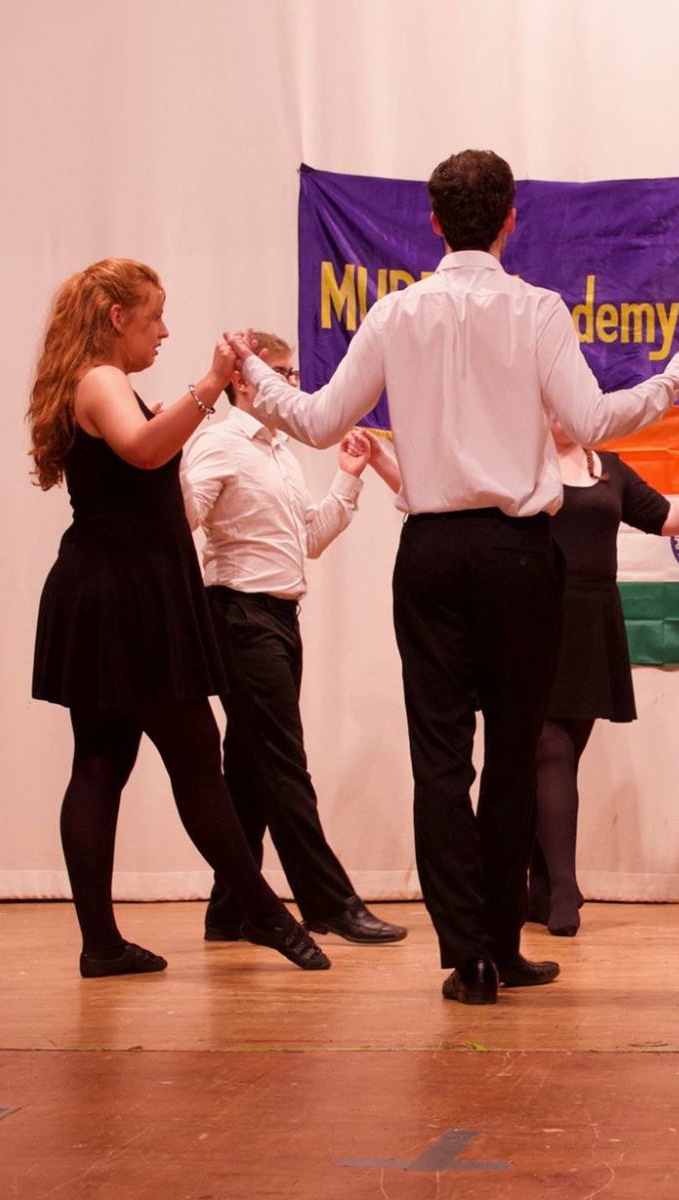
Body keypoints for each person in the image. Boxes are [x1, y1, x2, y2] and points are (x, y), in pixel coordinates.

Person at [225, 150, 679, 1004]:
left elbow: (317, 418)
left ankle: (470, 955)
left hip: (433, 555)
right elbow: (594, 420)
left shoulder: (396, 313)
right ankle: (500, 942)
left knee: (441, 759)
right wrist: (676, 373)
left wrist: (248, 372)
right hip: (521, 556)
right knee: (517, 753)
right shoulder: (537, 311)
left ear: (436, 222)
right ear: (511, 219)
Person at [27, 258, 329, 978]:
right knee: (193, 756)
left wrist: (203, 390)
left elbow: (148, 438)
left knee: (102, 761)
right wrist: (211, 382)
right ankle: (265, 913)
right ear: (115, 318)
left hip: (112, 590)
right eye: (154, 316)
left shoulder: (104, 384)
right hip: (124, 595)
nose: (163, 331)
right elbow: (142, 449)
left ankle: (104, 943)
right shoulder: (100, 380)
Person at [181, 330, 408, 948]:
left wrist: (349, 479)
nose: (292, 386)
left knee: (251, 769)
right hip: (237, 617)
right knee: (282, 761)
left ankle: (230, 910)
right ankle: (329, 902)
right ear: (241, 381)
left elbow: (306, 539)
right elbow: (182, 522)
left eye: (293, 374)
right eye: (277, 372)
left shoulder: (278, 449)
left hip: (278, 619)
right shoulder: (219, 444)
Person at [528, 421, 679, 936]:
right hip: (535, 614)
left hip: (592, 618)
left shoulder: (608, 469)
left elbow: (672, 518)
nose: (560, 418)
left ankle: (541, 884)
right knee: (549, 750)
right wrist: (379, 463)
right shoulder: (519, 463)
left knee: (559, 752)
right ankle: (565, 888)